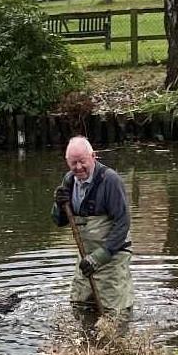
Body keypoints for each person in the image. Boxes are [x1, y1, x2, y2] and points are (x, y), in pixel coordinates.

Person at [50, 136, 134, 317]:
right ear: (67, 162)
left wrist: (99, 258)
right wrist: (58, 204)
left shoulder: (110, 181)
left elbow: (123, 223)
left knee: (116, 314)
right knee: (80, 307)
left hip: (112, 258)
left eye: (82, 161)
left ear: (93, 156)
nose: (78, 167)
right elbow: (59, 221)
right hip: (85, 258)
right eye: (73, 163)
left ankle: (117, 342)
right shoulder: (68, 180)